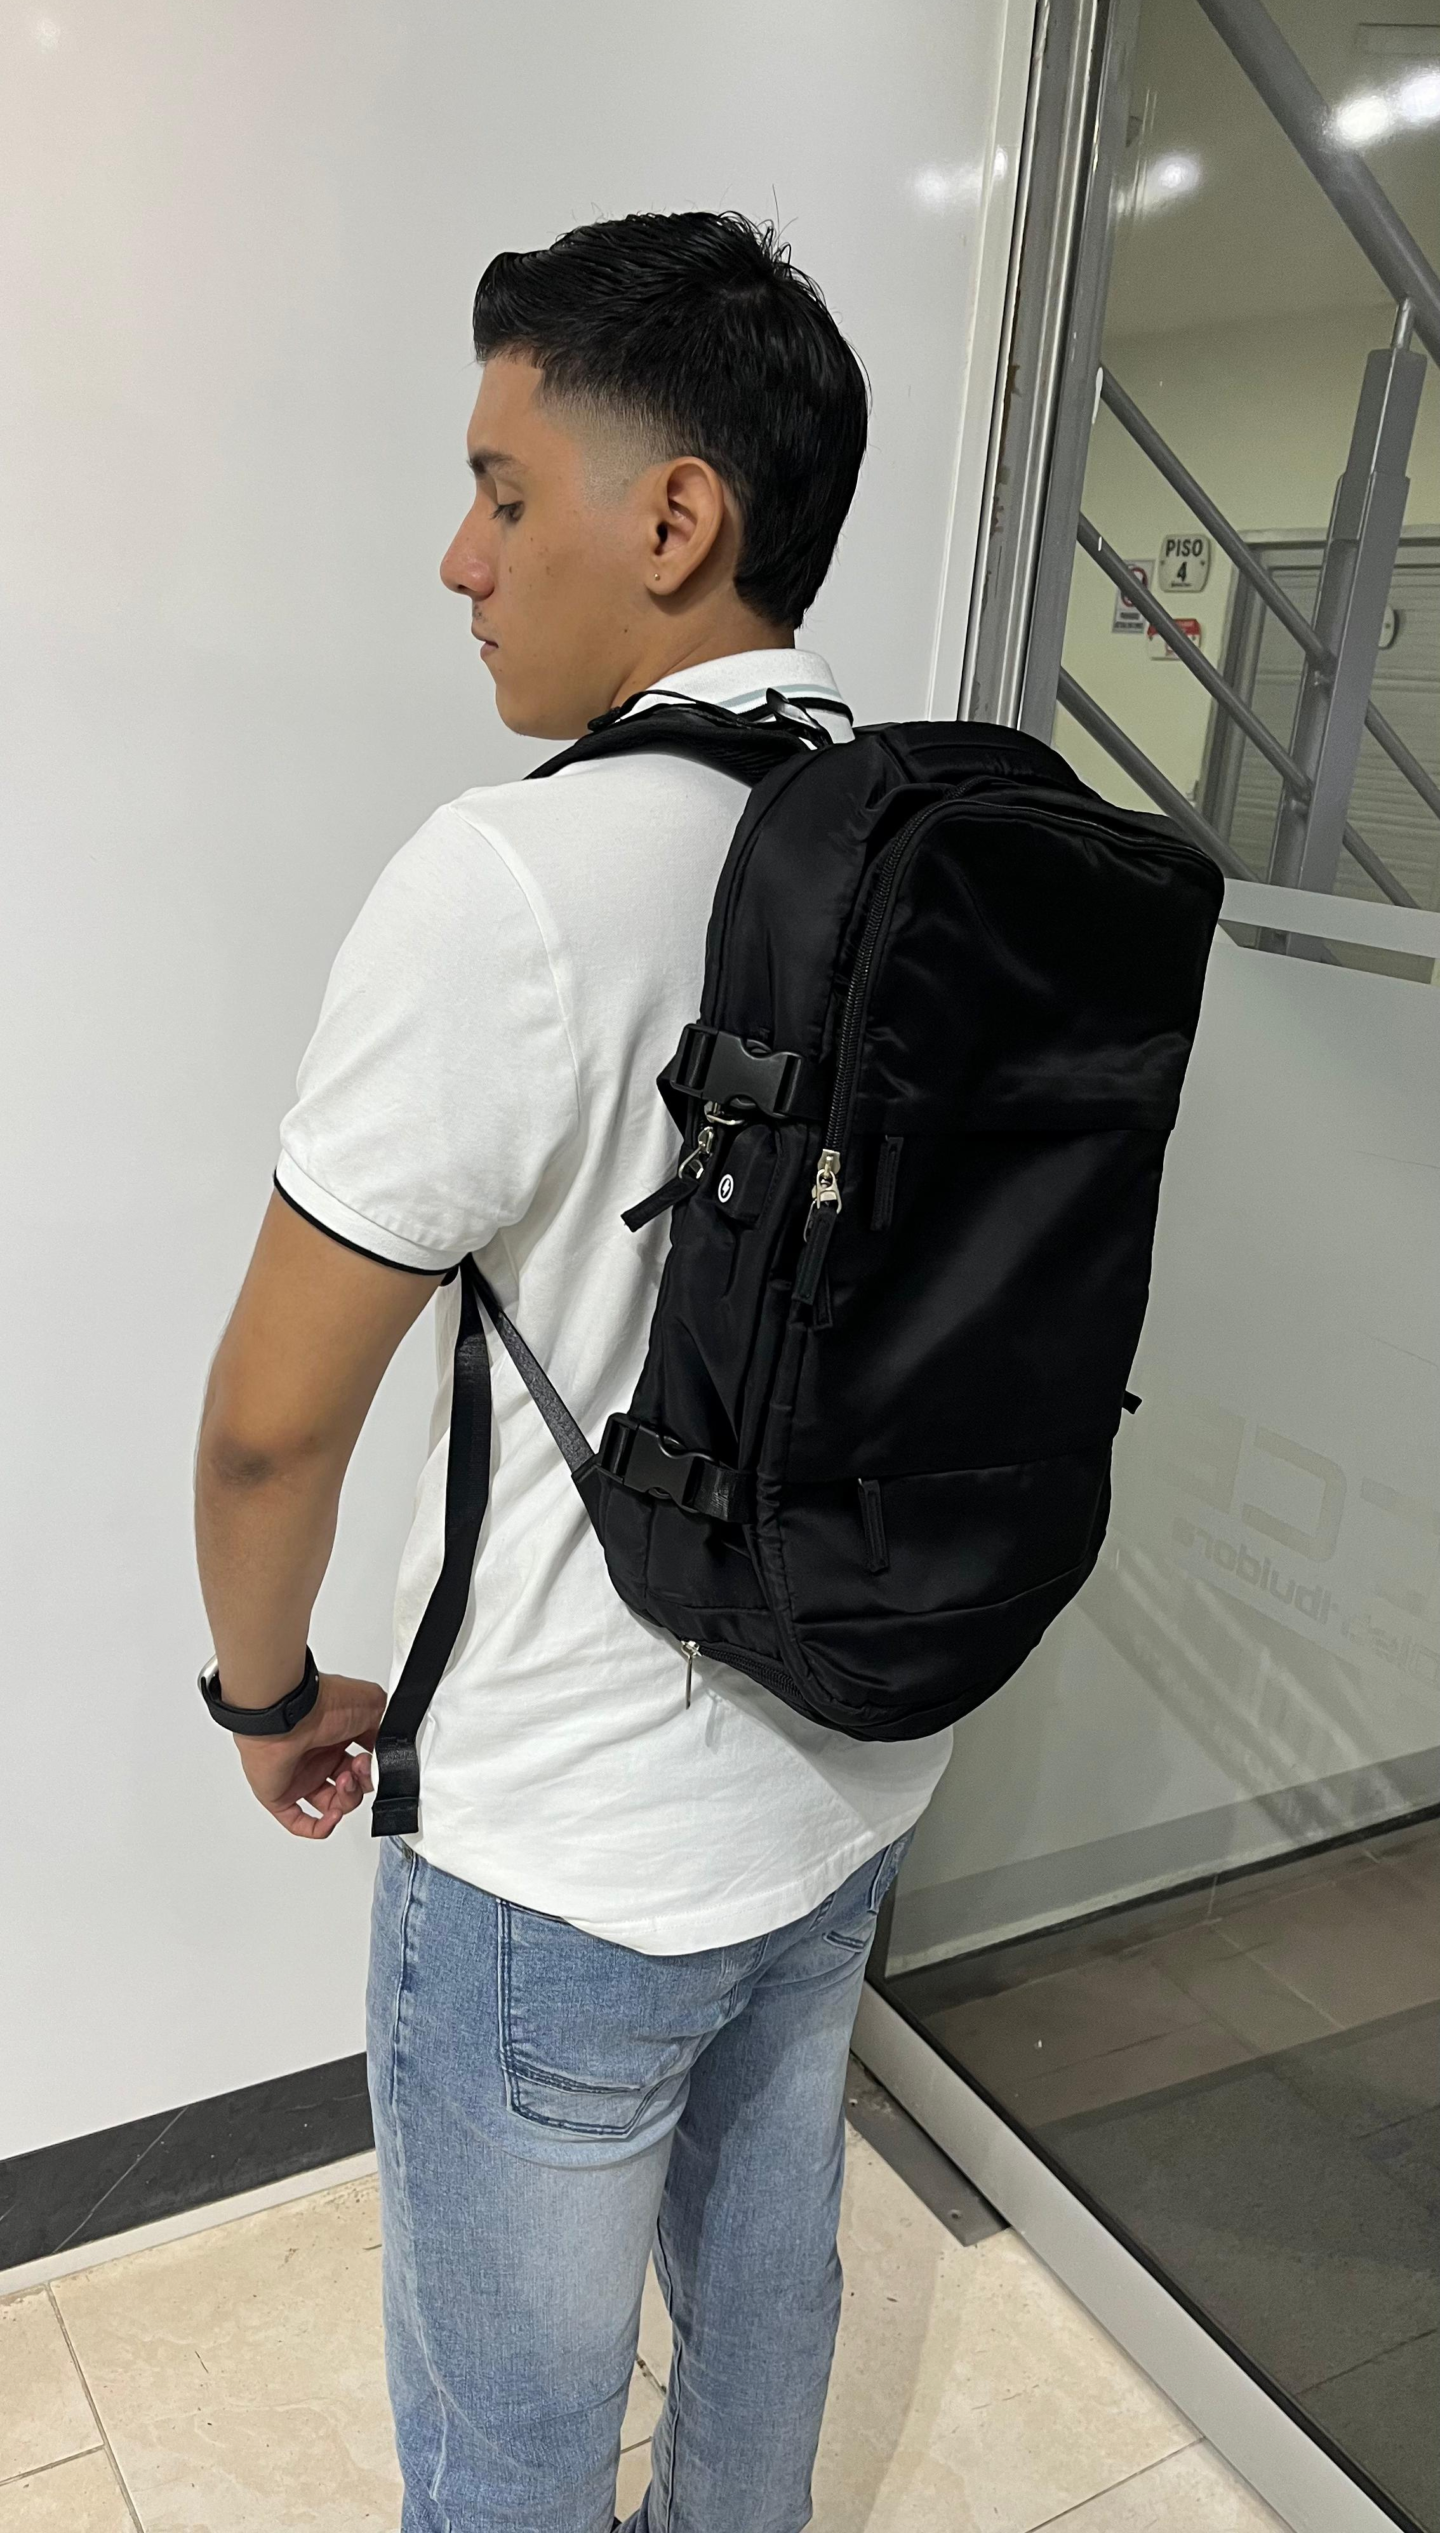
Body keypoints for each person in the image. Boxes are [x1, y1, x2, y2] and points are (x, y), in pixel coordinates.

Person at [195, 210, 954, 2533]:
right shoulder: (926, 836)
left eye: (504, 490)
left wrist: (262, 1695)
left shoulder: (512, 882)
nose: (462, 558)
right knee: (767, 2297)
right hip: (854, 1766)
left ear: (674, 517)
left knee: (510, 2447)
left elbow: (270, 1424)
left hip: (563, 1849)